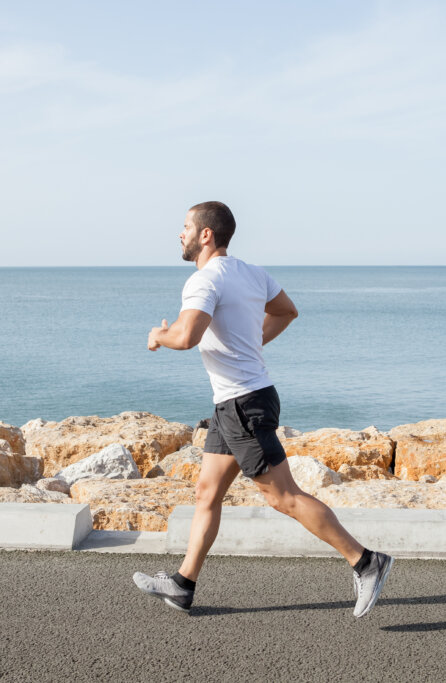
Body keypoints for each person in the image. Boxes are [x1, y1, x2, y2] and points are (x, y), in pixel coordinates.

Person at [133, 201, 393, 618]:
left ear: (206, 234)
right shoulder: (252, 273)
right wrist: (249, 345)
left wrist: (158, 335)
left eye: (185, 226)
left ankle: (366, 562)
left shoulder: (203, 280)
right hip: (237, 402)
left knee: (284, 497)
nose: (179, 233)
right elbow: (287, 311)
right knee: (207, 493)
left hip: (243, 405)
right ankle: (183, 584)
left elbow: (186, 337)